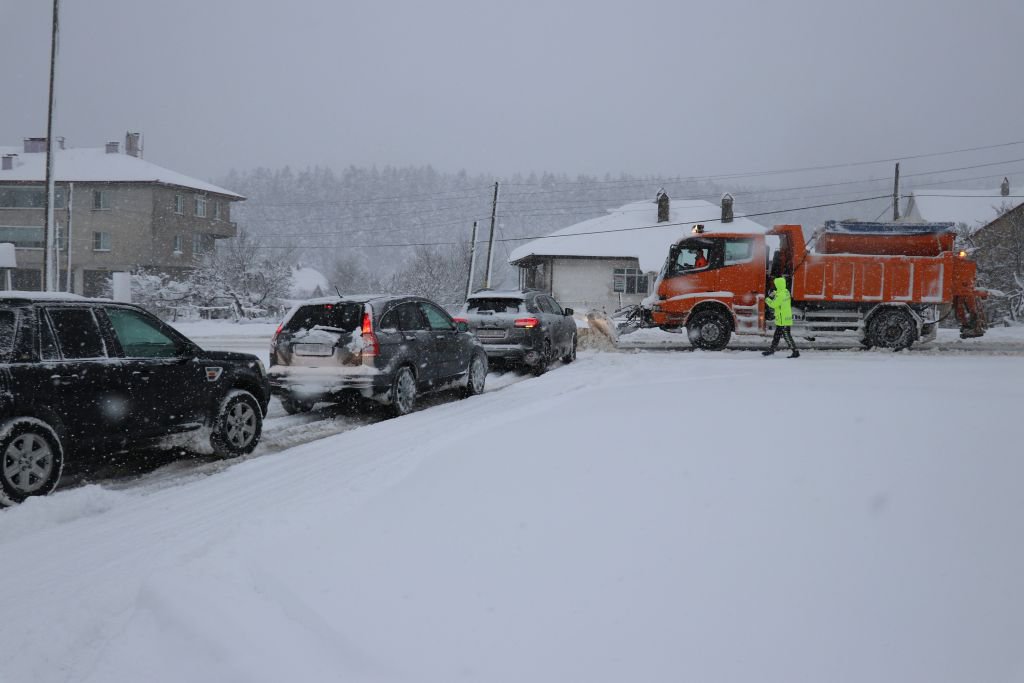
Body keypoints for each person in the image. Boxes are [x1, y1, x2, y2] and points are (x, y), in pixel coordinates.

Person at [763, 276, 800, 358]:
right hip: (782, 319)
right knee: (776, 336)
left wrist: (767, 299)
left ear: (778, 285)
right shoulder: (786, 291)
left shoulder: (781, 295)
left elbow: (773, 304)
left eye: (776, 284)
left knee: (787, 336)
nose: (775, 286)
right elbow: (780, 294)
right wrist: (775, 293)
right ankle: (771, 350)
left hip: (783, 320)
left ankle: (795, 352)